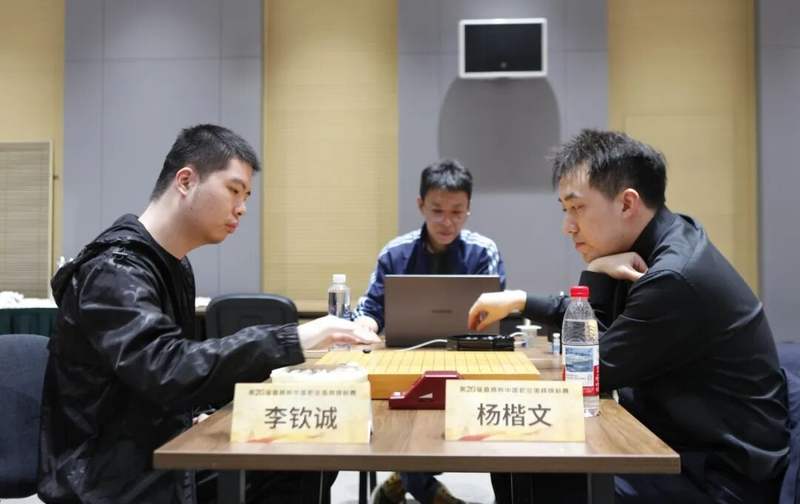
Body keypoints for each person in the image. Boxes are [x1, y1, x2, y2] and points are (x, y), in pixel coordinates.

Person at [38, 124, 379, 504]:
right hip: (107, 476)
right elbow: (167, 367)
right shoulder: (114, 271)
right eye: (234, 190)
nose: (242, 208)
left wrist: (198, 413)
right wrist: (294, 337)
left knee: (308, 451)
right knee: (296, 461)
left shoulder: (171, 264)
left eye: (246, 196)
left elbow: (166, 371)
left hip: (153, 445)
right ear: (186, 181)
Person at [468, 129, 789, 503]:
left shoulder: (673, 277)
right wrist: (523, 299)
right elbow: (600, 333)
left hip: (718, 478)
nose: (568, 226)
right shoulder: (665, 239)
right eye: (565, 210)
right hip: (680, 448)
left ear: (626, 204)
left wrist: (595, 272)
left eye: (577, 208)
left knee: (534, 468)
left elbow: (589, 370)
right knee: (523, 460)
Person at [353, 159, 506, 504]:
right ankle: (426, 489)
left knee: (455, 420)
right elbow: (371, 308)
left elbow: (491, 315)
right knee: (397, 418)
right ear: (421, 204)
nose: (447, 222)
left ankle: (406, 480)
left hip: (466, 360)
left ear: (468, 209)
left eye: (457, 212)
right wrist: (366, 324)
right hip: (404, 358)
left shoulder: (484, 252)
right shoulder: (395, 253)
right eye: (437, 210)